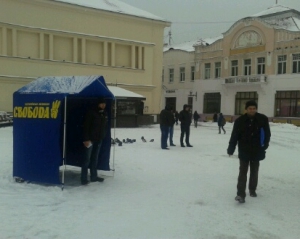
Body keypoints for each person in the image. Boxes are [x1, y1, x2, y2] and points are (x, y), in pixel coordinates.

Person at [227, 100, 271, 203]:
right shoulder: (240, 121)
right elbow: (234, 135)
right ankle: (240, 194)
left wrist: (264, 146)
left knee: (254, 171)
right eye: (250, 109)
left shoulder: (262, 119)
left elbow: (267, 134)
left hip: (257, 150)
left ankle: (252, 189)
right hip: (244, 150)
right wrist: (231, 148)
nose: (252, 110)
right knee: (243, 172)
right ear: (246, 109)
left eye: (254, 108)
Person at [81, 98, 108, 185]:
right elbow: (86, 126)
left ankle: (94, 177)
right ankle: (84, 178)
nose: (103, 105)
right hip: (90, 140)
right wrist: (86, 139)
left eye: (104, 104)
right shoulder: (91, 113)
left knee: (95, 159)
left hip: (98, 140)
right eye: (101, 104)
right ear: (98, 104)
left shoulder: (104, 114)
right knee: (87, 160)